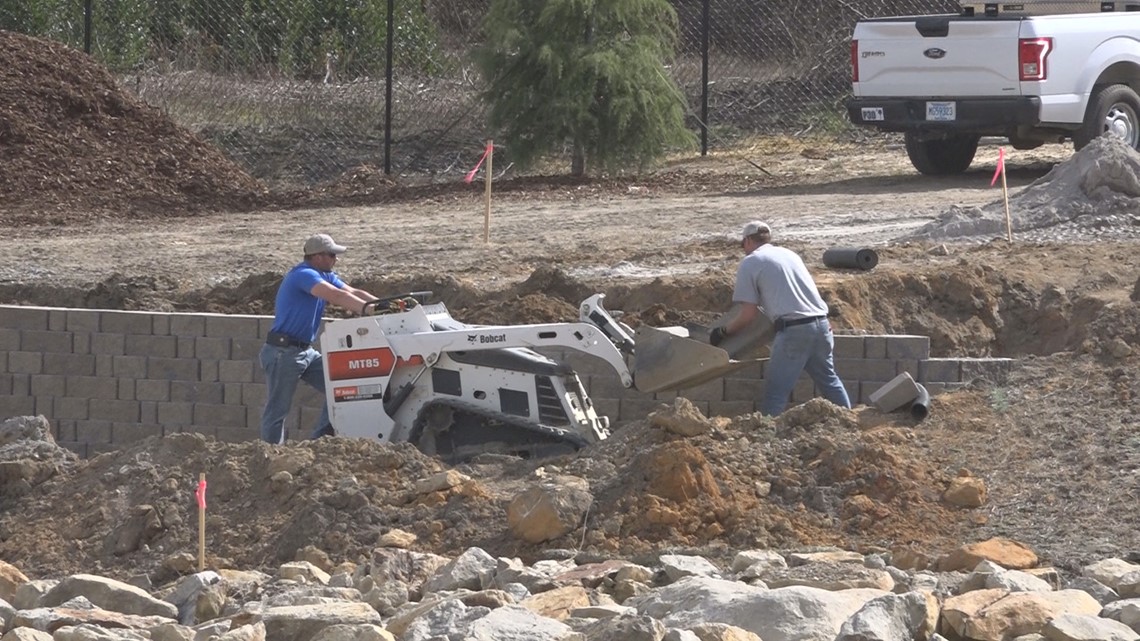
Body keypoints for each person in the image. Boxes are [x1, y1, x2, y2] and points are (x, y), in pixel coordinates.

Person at [709, 221, 851, 416]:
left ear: (748, 241)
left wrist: (722, 331)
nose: (743, 250)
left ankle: (768, 438)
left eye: (742, 245)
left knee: (776, 392)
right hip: (822, 325)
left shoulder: (751, 262)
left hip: (795, 331)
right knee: (830, 381)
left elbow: (748, 314)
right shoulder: (790, 255)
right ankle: (851, 425)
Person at [259, 233, 379, 444]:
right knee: (277, 411)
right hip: (283, 352)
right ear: (317, 257)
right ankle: (270, 456)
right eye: (332, 255)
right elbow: (337, 296)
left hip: (305, 351)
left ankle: (318, 443)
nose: (336, 259)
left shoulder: (324, 275)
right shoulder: (303, 275)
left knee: (340, 389)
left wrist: (389, 305)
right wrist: (371, 311)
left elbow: (354, 292)